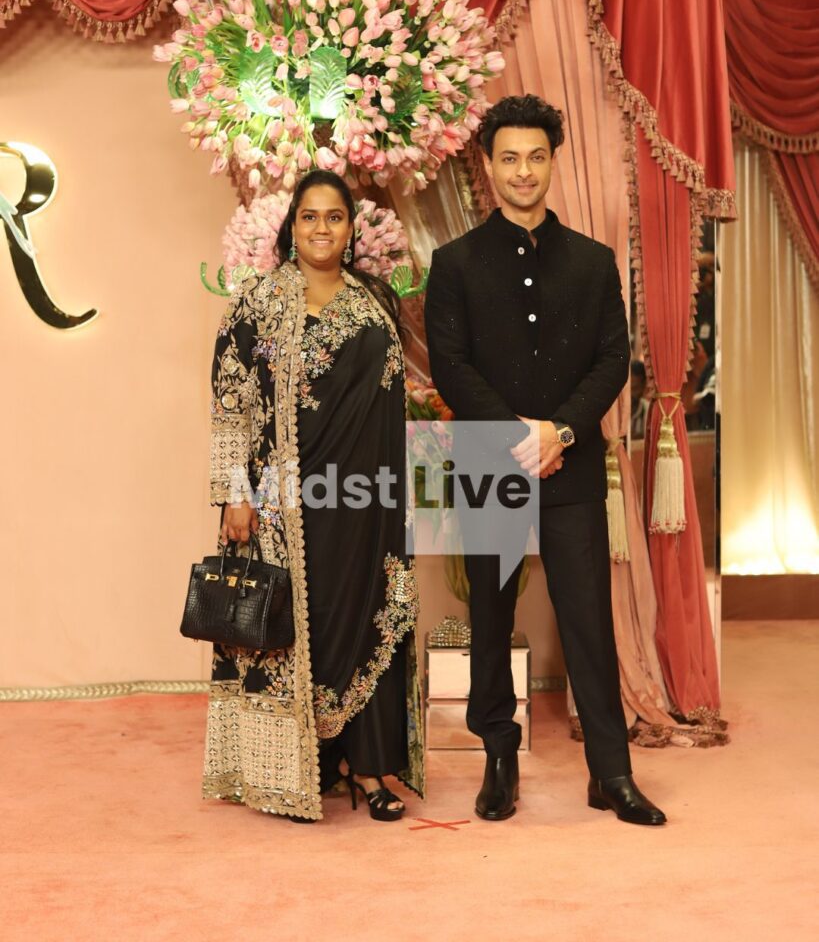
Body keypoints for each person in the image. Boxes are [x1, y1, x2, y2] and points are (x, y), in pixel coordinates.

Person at [424, 95, 665, 826]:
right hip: (488, 464)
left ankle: (610, 772)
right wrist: (519, 437)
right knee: (490, 614)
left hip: (572, 465)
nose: (522, 171)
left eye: (535, 156)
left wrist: (559, 431)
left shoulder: (592, 262)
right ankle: (498, 757)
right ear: (488, 166)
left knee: (587, 618)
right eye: (509, 158)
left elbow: (612, 359)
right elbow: (450, 365)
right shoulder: (454, 264)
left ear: (553, 161)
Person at [205, 169, 424, 822]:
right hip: (283, 508)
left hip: (366, 505)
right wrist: (235, 493)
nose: (322, 228)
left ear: (351, 228)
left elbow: (394, 402)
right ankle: (302, 766)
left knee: (371, 616)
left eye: (334, 216)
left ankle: (373, 767)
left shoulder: (374, 301)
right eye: (309, 216)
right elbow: (230, 403)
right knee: (298, 625)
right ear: (291, 227)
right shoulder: (257, 303)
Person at [630, 359, 650, 440]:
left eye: (635, 389)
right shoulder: (615, 412)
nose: (630, 394)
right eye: (627, 390)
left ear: (643, 386)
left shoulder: (648, 410)